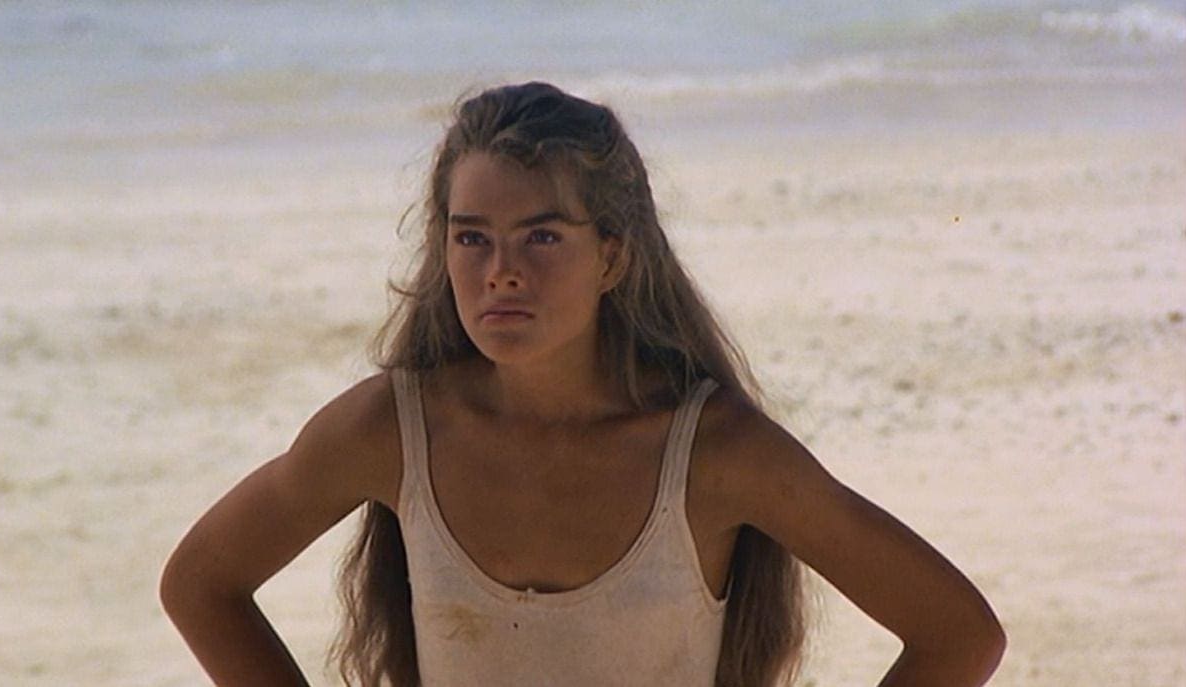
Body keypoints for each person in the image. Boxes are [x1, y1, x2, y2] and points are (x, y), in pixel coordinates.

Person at [160, 82, 1006, 686]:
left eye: (541, 237)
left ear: (612, 256)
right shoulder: (393, 430)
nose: (501, 272)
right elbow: (201, 582)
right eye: (472, 239)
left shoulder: (712, 455)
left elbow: (958, 636)